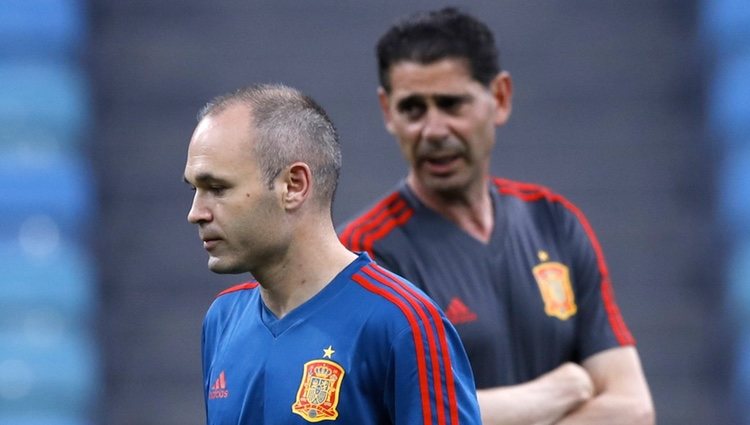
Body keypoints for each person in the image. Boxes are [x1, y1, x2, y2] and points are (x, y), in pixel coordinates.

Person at [338, 8, 655, 425]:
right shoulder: (363, 256)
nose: (433, 130)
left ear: (500, 98)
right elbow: (392, 416)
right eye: (413, 109)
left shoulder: (555, 222)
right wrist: (555, 393)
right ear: (387, 112)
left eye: (452, 105)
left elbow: (634, 408)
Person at [183, 83, 482, 424]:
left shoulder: (402, 323)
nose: (196, 212)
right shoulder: (223, 319)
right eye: (195, 189)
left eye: (217, 189)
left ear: (294, 185)